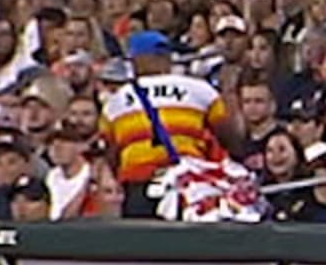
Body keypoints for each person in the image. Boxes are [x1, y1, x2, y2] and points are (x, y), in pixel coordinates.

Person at [96, 31, 241, 218]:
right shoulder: (200, 89)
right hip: (189, 185)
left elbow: (111, 153)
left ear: (140, 58)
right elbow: (231, 137)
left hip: (139, 186)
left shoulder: (117, 100)